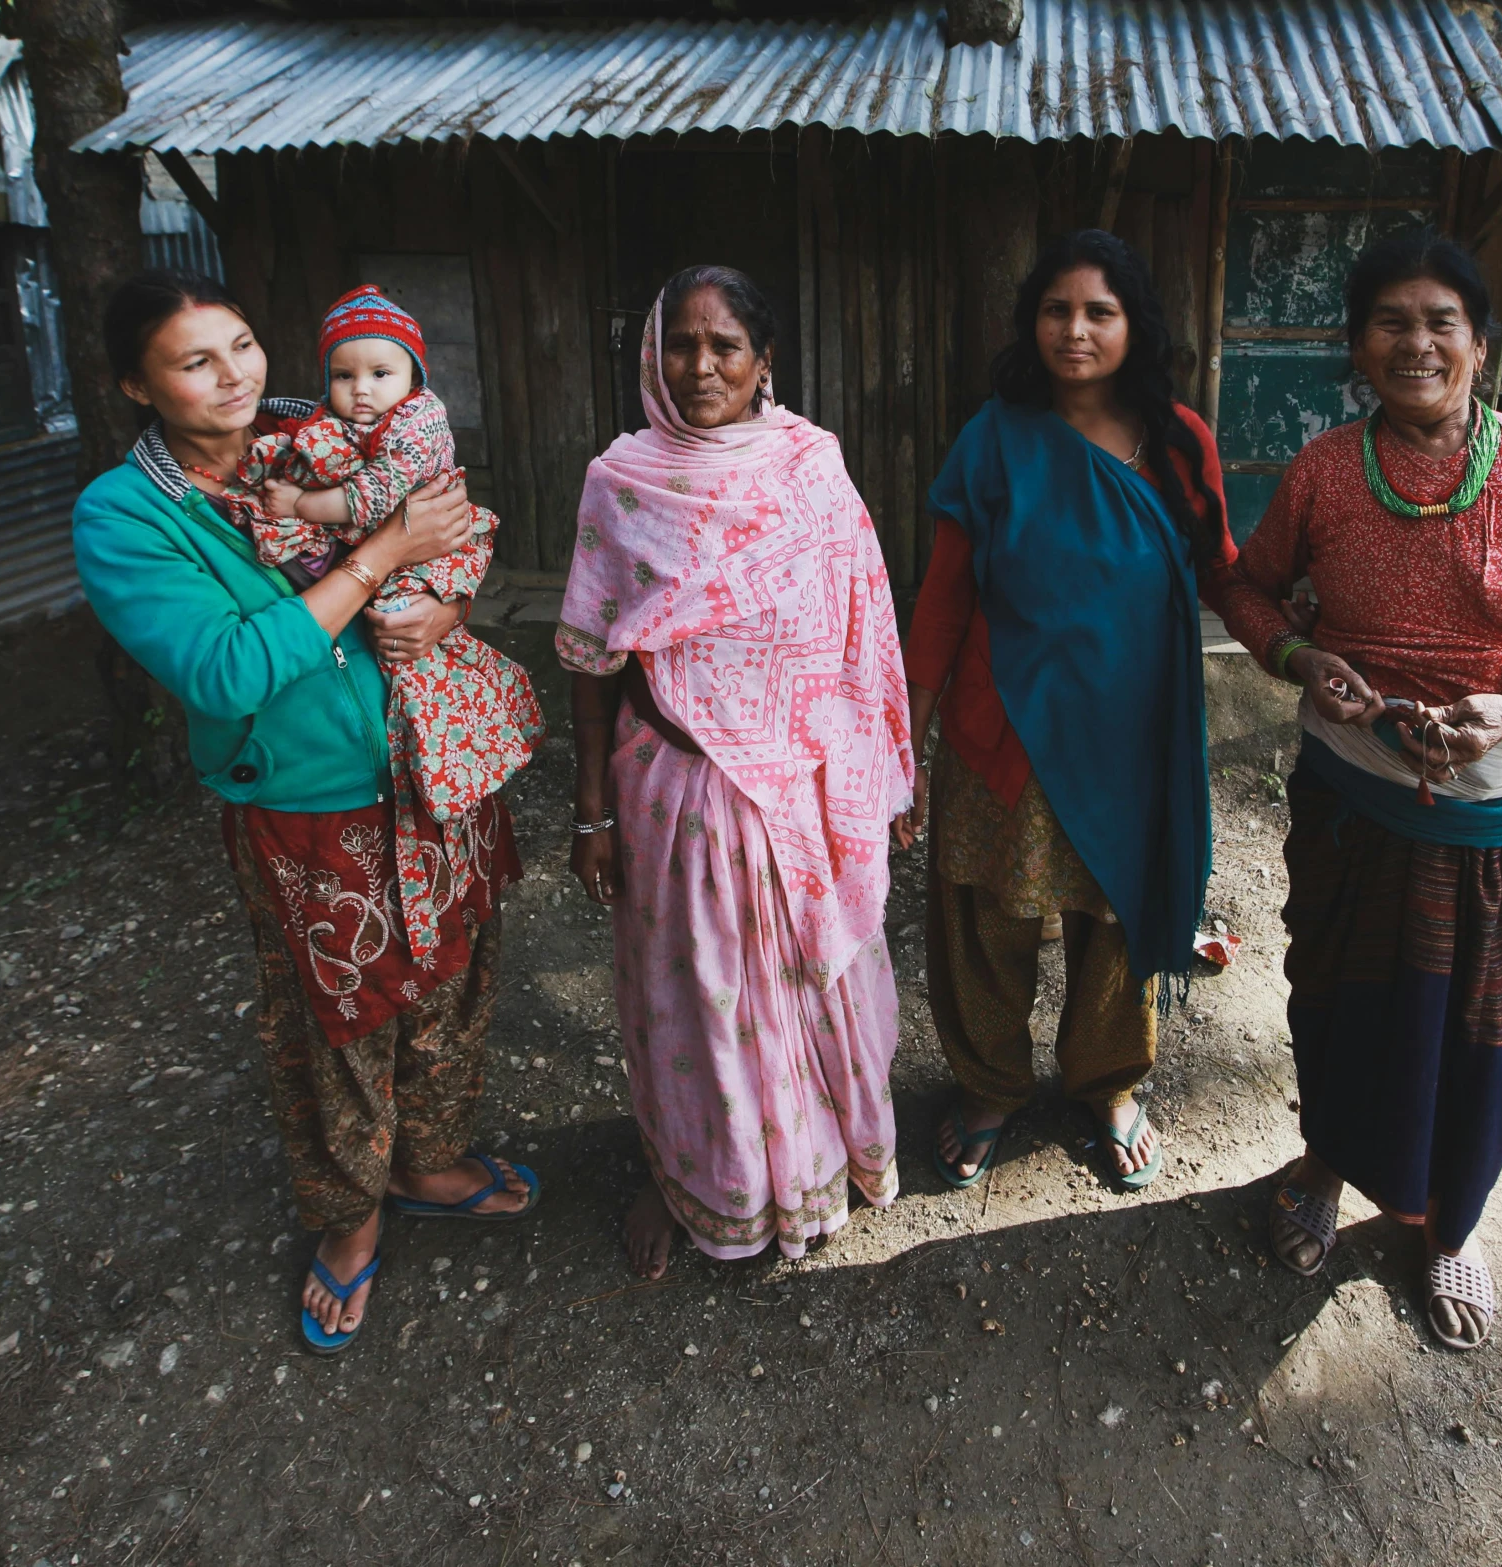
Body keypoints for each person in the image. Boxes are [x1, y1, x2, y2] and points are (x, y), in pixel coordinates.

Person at [70, 270, 538, 1358]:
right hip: (305, 803)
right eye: (194, 361)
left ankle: (428, 1162)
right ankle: (350, 1212)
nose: (234, 375)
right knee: (338, 1018)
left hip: (428, 765)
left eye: (241, 343)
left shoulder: (322, 429)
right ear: (136, 384)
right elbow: (229, 671)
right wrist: (382, 556)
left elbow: (457, 524)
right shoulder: (128, 515)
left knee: (454, 973)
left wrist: (446, 601)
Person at [1216, 229, 1502, 1350]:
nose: (1414, 343)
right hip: (1356, 794)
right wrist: (1299, 660)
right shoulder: (1322, 470)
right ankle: (1324, 1166)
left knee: (1486, 1025)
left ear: (1478, 342)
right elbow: (1249, 590)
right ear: (1355, 348)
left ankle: (1448, 1222)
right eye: (1389, 323)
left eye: (1440, 322)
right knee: (1339, 995)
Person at [555, 265, 915, 1278]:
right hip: (673, 790)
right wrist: (590, 810)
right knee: (694, 998)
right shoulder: (621, 481)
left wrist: (880, 768)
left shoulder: (808, 468)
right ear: (650, 358)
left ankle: (819, 1162)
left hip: (803, 792)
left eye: (725, 346)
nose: (700, 364)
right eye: (681, 344)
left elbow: (862, 629)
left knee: (808, 984)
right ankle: (695, 1182)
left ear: (764, 363)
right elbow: (589, 657)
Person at [907, 229, 1235, 1193]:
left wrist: (1302, 643)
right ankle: (990, 1086)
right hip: (1001, 729)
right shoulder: (995, 437)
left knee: (1120, 918)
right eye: (1057, 310)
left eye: (1100, 311)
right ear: (1031, 323)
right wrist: (911, 738)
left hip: (1134, 738)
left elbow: (1224, 574)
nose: (1076, 330)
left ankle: (1108, 1082)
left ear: (1136, 323)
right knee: (985, 917)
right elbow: (942, 598)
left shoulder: (1179, 441)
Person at [222, 284, 544, 958]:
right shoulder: (322, 427)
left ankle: (477, 737)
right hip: (342, 691)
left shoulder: (419, 422)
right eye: (344, 374)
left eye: (380, 372)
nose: (361, 389)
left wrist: (303, 506)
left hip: (430, 558)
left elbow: (384, 492)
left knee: (419, 650)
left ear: (414, 376)